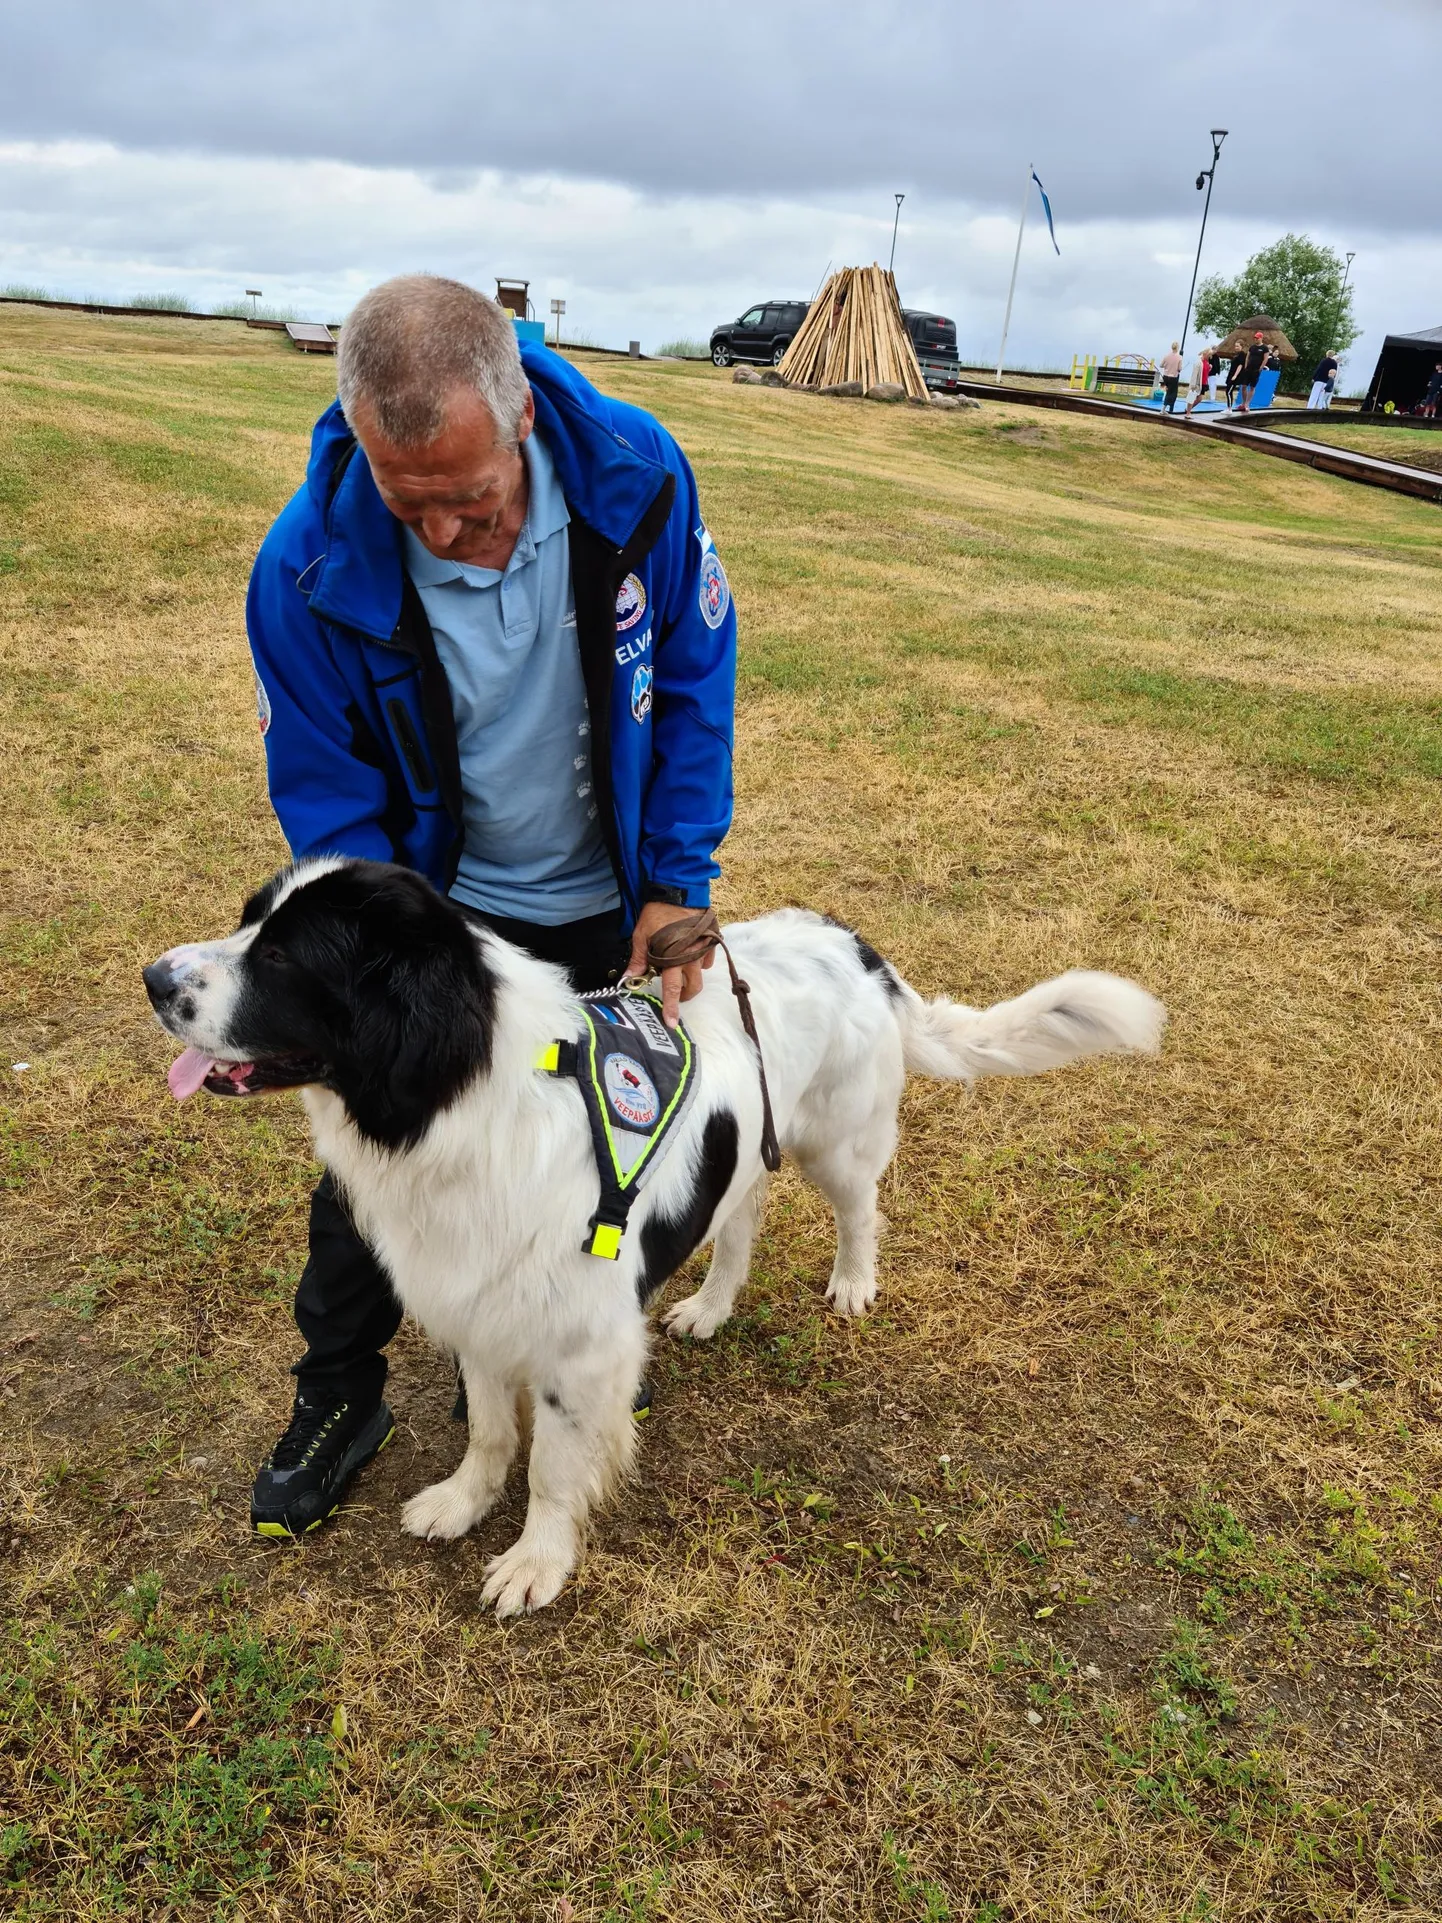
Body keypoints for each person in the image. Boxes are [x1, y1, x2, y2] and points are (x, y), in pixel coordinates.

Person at [243, 275, 738, 1538]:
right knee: (387, 1156)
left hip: (601, 908)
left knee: (595, 1149)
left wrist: (675, 886)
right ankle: (336, 1392)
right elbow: (328, 791)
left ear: (518, 415)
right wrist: (385, 970)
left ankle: (588, 1332)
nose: (451, 530)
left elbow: (691, 677)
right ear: (361, 447)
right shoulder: (304, 568)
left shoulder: (640, 478)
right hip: (442, 915)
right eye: (415, 507)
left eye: (472, 497)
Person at [1237, 331, 1269, 413]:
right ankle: (1243, 403)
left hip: (1256, 370)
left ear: (1261, 338)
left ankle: (1247, 404)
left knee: (1252, 387)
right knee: (1243, 386)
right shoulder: (1252, 347)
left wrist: (1260, 368)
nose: (1255, 339)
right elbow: (1248, 357)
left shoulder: (1264, 348)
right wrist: (1246, 366)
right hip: (1248, 369)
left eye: (1257, 338)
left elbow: (1265, 359)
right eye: (1255, 338)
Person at [1184, 345, 1212, 417]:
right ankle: (1188, 413)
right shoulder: (1198, 362)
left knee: (1199, 399)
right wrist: (1193, 384)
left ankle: (1188, 410)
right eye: (1209, 355)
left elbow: (1205, 373)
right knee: (1192, 397)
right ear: (1205, 354)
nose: (1209, 356)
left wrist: (1209, 368)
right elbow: (1195, 374)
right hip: (1197, 383)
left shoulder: (1206, 362)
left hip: (1203, 383)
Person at [1159, 340, 1183, 413]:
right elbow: (1179, 368)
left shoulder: (1166, 356)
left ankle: (1164, 409)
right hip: (1173, 377)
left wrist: (1167, 366)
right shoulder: (1179, 357)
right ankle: (1163, 409)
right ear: (1178, 348)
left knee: (1168, 392)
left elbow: (1161, 365)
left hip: (1165, 376)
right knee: (1172, 393)